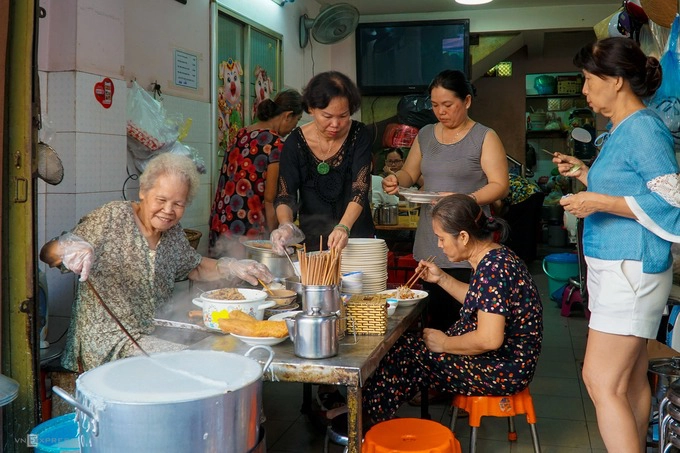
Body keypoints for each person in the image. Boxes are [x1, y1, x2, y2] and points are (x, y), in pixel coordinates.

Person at [552, 37, 680, 452]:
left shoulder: (643, 128)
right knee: (626, 379)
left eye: (589, 81)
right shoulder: (622, 130)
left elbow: (672, 198)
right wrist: (587, 175)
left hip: (632, 269)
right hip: (620, 268)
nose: (585, 90)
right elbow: (633, 187)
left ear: (617, 81)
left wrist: (601, 201)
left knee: (600, 380)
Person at [40, 153, 273, 373]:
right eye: (161, 200)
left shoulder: (172, 233)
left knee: (227, 355)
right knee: (199, 364)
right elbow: (48, 254)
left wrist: (233, 266)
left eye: (178, 204)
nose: (168, 211)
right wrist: (69, 247)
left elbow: (195, 266)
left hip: (150, 334)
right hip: (105, 343)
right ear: (143, 191)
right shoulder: (111, 217)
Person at [362, 194, 543, 422]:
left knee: (405, 356)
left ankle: (363, 424)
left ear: (464, 236)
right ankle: (375, 415)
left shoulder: (493, 269)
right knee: (403, 347)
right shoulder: (494, 255)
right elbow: (486, 302)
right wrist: (442, 279)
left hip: (503, 368)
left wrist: (445, 343)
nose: (439, 245)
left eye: (441, 238)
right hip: (506, 361)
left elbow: (489, 339)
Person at [382, 69, 509, 334]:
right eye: (435, 105)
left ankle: (465, 372)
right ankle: (440, 372)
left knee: (469, 322)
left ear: (467, 101)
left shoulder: (484, 136)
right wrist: (396, 180)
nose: (441, 111)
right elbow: (409, 173)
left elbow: (500, 186)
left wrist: (465, 199)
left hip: (467, 242)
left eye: (448, 105)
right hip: (431, 239)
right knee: (435, 321)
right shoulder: (426, 135)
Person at [271, 71, 375, 255]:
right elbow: (285, 195)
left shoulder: (360, 135)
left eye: (343, 116)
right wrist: (286, 225)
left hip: (356, 239)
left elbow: (360, 189)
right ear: (311, 109)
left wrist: (344, 227)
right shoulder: (294, 142)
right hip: (313, 242)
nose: (335, 124)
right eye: (327, 116)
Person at [209, 89, 303, 256]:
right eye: (296, 121)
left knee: (223, 276)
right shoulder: (276, 145)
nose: (293, 128)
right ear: (288, 115)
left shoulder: (241, 134)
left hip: (221, 222)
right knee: (250, 278)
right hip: (248, 229)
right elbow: (269, 199)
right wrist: (276, 236)